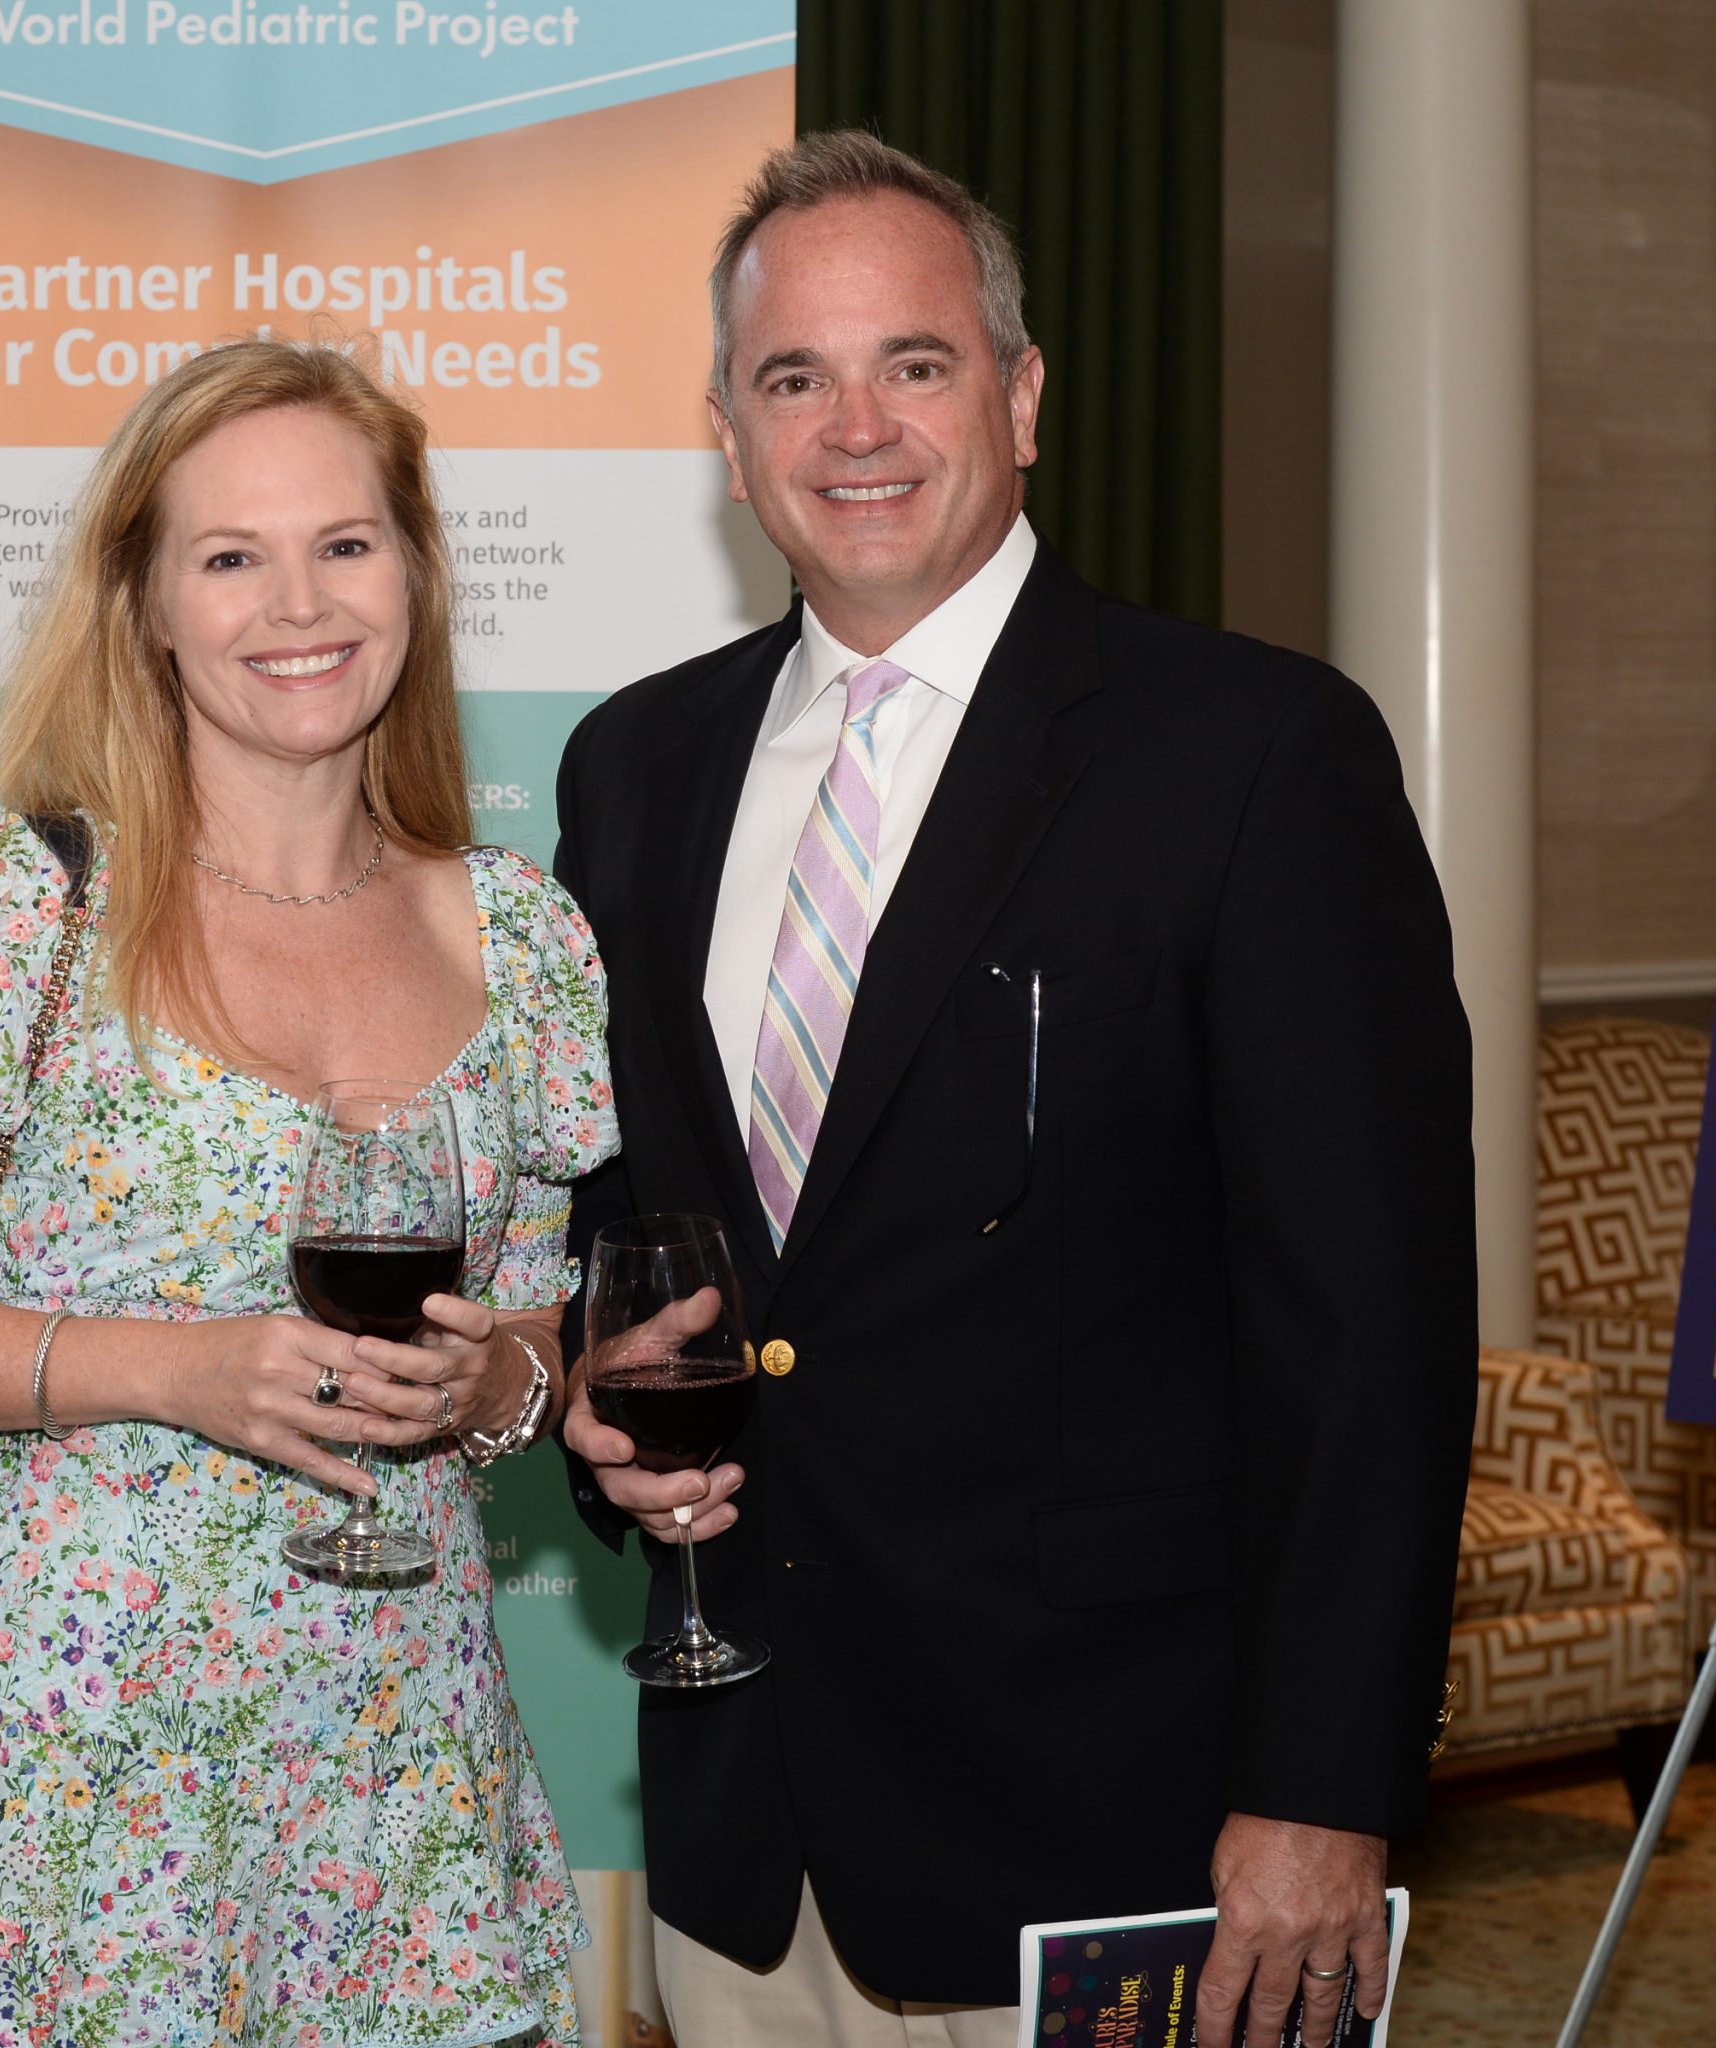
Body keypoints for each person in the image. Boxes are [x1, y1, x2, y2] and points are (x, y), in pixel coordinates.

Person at [553, 132, 1478, 2048]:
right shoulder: (634, 768)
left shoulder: (1255, 756)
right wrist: (602, 1420)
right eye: (793, 378)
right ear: (727, 435)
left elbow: (1369, 1332)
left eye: (917, 363)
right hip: (750, 1835)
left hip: (1123, 1831)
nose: (856, 427)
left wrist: (1323, 1792)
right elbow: (626, 1225)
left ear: (1023, 396)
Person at [0, 340, 615, 2048]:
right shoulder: (18, 912)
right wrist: (171, 1369)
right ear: (146, 603)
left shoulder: (520, 937)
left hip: (400, 1773)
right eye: (231, 557)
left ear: (418, 573)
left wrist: (489, 1386)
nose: (299, 604)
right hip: (83, 1777)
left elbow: (528, 1331)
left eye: (346, 544)